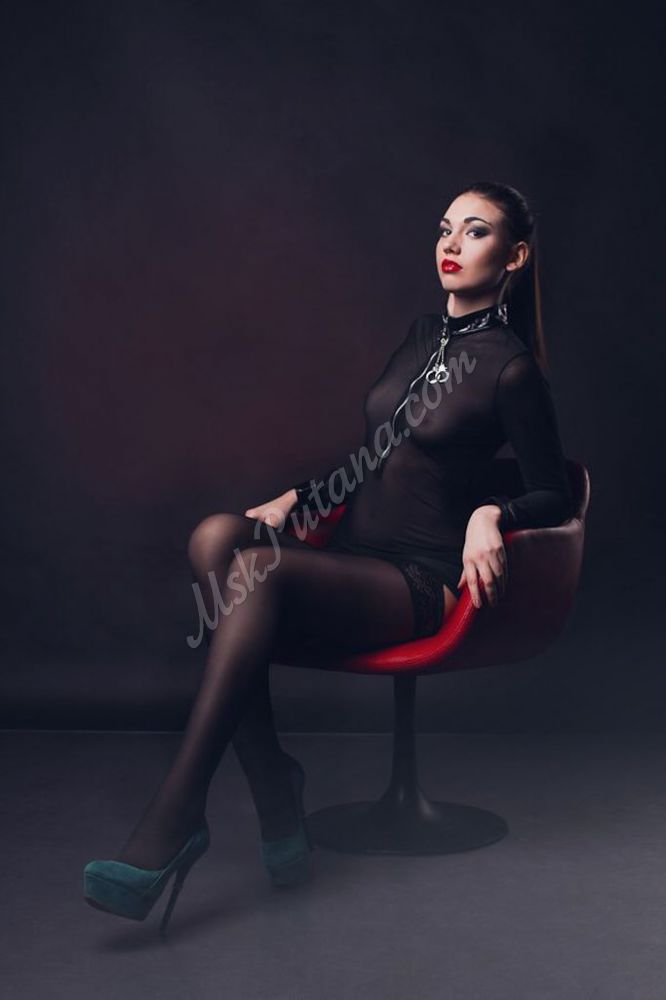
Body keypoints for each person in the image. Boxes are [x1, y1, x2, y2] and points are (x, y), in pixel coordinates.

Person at [83, 180, 574, 934]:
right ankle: (274, 784)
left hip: (420, 581)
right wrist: (302, 495)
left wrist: (492, 513)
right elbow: (384, 457)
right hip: (352, 557)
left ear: (513, 256)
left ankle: (178, 816)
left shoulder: (511, 369)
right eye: (445, 228)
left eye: (475, 232)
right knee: (216, 537)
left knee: (254, 570)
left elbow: (554, 491)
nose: (450, 244)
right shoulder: (420, 336)